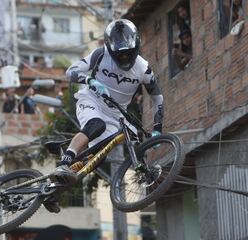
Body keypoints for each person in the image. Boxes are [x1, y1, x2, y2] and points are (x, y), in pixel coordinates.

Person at [46, 19, 164, 211]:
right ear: (110, 47)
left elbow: (158, 98)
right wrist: (90, 80)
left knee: (96, 158)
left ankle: (53, 191)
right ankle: (65, 161)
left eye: (129, 54)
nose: (125, 58)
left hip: (116, 113)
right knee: (96, 124)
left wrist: (158, 128)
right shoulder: (101, 54)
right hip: (91, 100)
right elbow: (71, 72)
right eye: (121, 55)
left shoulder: (144, 69)